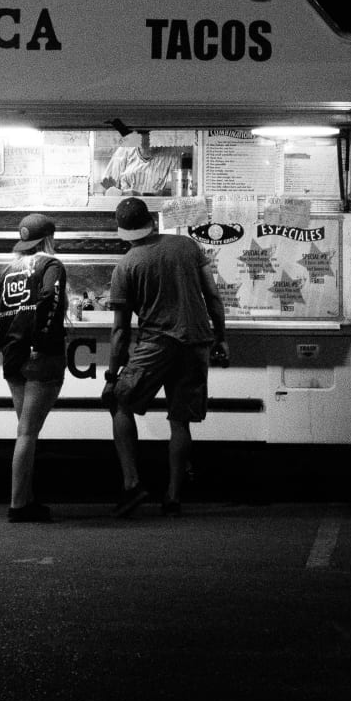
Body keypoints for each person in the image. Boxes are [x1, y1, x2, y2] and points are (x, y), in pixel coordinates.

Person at [103, 196, 227, 518]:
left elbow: (120, 331)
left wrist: (112, 374)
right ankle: (173, 496)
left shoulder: (126, 265)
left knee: (120, 402)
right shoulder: (187, 246)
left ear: (123, 231)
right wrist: (222, 338)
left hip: (156, 344)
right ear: (152, 222)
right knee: (180, 420)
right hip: (197, 341)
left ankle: (132, 484)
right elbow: (213, 296)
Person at [0, 213, 68, 522]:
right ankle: (18, 505)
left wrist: (14, 349)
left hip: (13, 356)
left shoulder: (6, 270)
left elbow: (1, 314)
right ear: (49, 239)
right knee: (28, 432)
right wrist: (41, 343)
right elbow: (51, 297)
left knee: (25, 430)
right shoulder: (52, 266)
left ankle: (26, 499)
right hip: (41, 356)